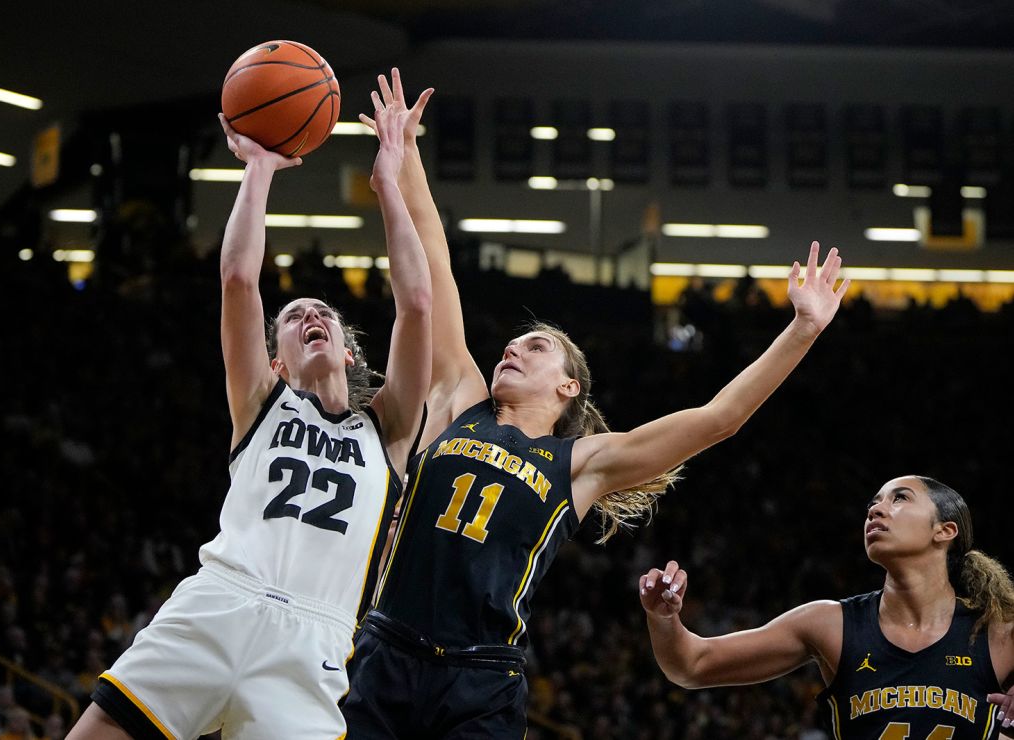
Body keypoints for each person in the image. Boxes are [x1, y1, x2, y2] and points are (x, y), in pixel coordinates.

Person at [340, 68, 851, 738]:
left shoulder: (580, 463)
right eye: (512, 344)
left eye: (537, 347)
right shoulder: (461, 398)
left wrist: (802, 329)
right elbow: (434, 262)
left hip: (480, 679)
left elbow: (718, 419)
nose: (512, 350)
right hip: (386, 650)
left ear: (569, 386)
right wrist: (405, 158)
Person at [66, 89, 432, 740]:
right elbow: (238, 277)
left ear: (349, 353)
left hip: (313, 642)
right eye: (294, 318)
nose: (311, 317)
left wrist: (389, 183)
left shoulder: (391, 429)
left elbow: (418, 305)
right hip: (220, 603)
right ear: (279, 362)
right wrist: (258, 169)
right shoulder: (260, 403)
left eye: (325, 314)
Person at [639, 475, 1014, 738]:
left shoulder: (996, 631)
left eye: (899, 498)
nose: (876, 510)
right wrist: (663, 618)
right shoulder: (829, 624)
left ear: (944, 531)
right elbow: (692, 665)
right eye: (874, 503)